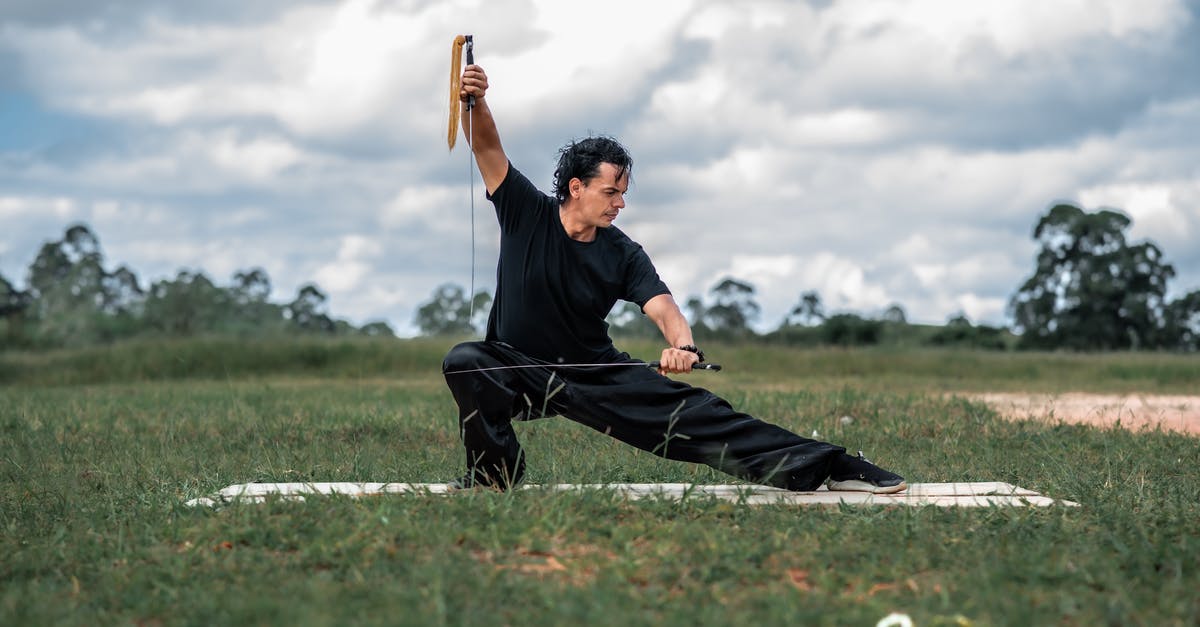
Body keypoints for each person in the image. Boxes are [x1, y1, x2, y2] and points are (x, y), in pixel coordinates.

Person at [442, 63, 906, 494]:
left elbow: (663, 307)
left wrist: (682, 347)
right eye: (610, 192)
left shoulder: (622, 252)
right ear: (575, 188)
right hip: (516, 371)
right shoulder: (526, 212)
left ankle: (834, 465)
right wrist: (477, 100)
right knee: (465, 360)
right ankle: (493, 476)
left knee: (702, 420)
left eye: (622, 194)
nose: (619, 204)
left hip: (597, 375)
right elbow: (485, 147)